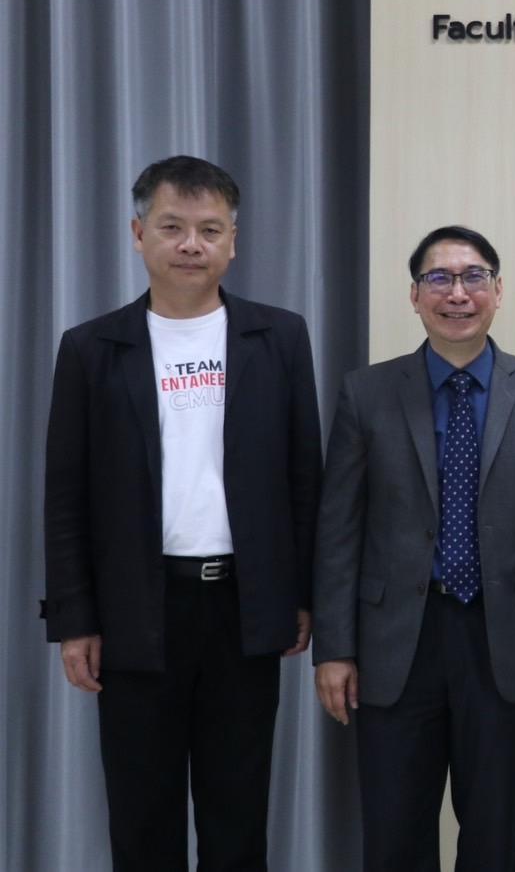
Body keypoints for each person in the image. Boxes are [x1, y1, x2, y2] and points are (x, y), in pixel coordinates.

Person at [43, 155, 321, 869]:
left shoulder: (279, 337)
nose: (191, 245)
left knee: (238, 819)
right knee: (142, 821)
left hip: (243, 608)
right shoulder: (91, 348)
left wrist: (301, 596)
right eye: (172, 227)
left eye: (209, 229)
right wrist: (75, 620)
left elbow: (304, 478)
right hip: (137, 610)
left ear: (234, 242)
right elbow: (66, 495)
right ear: (139, 235)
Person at [312, 225, 515, 872]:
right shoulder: (366, 393)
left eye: (473, 277)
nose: (457, 293)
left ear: (498, 291)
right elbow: (339, 530)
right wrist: (335, 648)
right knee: (394, 836)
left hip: (502, 638)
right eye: (439, 278)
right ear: (414, 295)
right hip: (394, 643)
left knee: (494, 838)